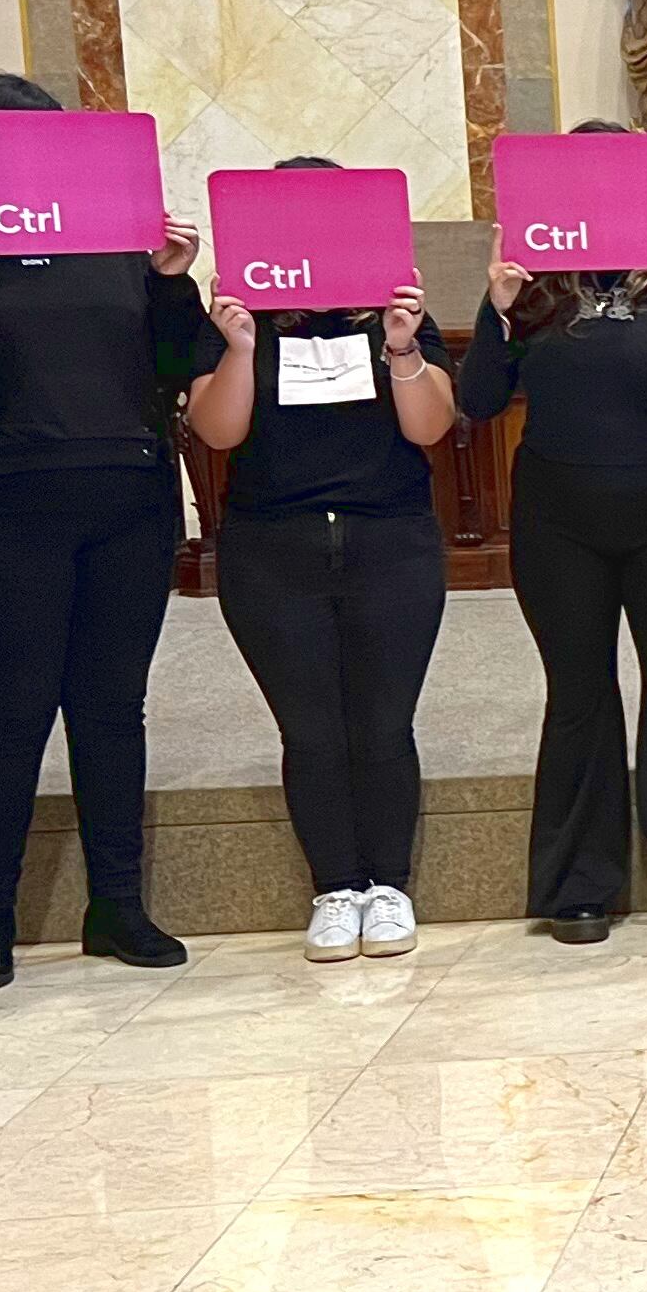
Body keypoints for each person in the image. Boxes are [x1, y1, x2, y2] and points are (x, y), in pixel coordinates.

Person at [0, 72, 217, 985]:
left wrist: (171, 282)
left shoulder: (117, 237)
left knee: (110, 708)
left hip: (124, 499)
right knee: (10, 711)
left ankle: (118, 907)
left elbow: (183, 365)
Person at [457, 143, 647, 945]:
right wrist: (496, 304)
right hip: (559, 521)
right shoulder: (535, 289)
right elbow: (479, 399)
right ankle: (580, 883)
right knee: (578, 694)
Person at [187, 171, 457, 960]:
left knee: (382, 723)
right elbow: (218, 432)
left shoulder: (398, 315)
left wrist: (402, 347)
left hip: (391, 540)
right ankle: (336, 888)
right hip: (272, 547)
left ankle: (390, 886)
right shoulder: (240, 321)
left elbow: (432, 427)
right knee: (309, 729)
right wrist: (239, 346)